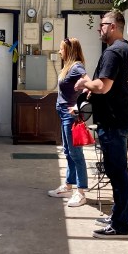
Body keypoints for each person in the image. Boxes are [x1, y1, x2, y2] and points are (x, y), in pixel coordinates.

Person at [75, 9, 128, 238]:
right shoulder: (127, 49)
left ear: (113, 26)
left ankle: (120, 225)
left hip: (113, 122)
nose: (98, 29)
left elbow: (103, 86)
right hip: (121, 118)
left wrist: (85, 83)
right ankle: (117, 216)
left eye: (102, 25)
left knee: (117, 173)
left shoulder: (113, 52)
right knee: (117, 172)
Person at [47, 37, 89, 207]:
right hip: (64, 115)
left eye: (62, 49)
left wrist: (78, 107)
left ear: (69, 51)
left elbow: (89, 84)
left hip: (70, 116)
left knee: (76, 154)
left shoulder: (77, 67)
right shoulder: (69, 67)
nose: (59, 52)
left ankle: (81, 192)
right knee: (68, 152)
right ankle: (68, 186)